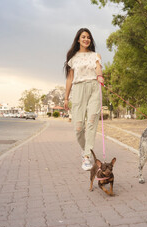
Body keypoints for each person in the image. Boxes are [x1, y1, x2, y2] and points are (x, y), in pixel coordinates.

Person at [64, 28, 104, 171]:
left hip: (94, 88)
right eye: (83, 37)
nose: (86, 39)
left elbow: (98, 68)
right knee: (78, 127)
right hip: (78, 90)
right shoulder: (73, 58)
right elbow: (69, 79)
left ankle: (87, 156)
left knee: (92, 121)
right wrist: (66, 98)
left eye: (88, 37)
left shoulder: (95, 55)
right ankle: (85, 150)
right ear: (78, 40)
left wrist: (99, 76)